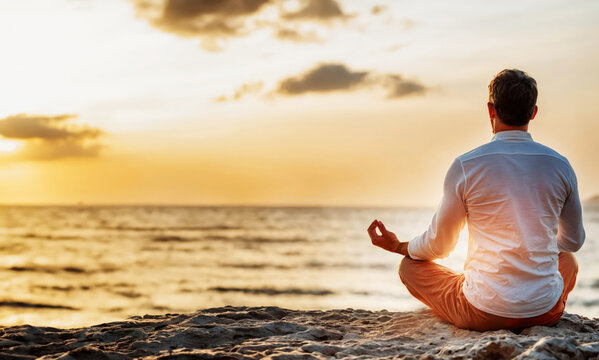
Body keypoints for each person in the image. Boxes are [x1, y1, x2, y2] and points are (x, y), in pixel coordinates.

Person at [367, 69, 585, 331]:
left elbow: (440, 246)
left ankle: (482, 301)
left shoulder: (466, 165)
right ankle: (535, 305)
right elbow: (573, 241)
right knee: (568, 261)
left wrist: (398, 246)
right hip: (543, 312)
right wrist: (537, 243)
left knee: (409, 268)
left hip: (481, 312)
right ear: (534, 112)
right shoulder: (560, 165)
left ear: (491, 109)